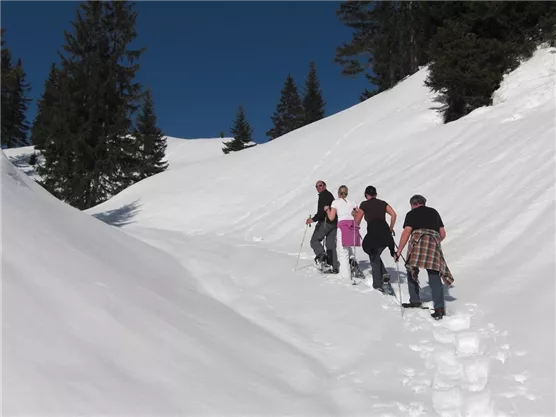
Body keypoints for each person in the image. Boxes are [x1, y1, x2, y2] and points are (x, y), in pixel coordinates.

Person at [395, 194, 454, 319]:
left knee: (411, 269)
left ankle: (415, 300)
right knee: (434, 274)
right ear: (423, 203)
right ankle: (439, 308)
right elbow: (442, 233)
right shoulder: (434, 212)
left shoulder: (411, 214)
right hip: (433, 241)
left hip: (418, 240)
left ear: (413, 204)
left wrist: (399, 251)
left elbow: (407, 232)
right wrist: (434, 241)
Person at [354, 186, 397, 291]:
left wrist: (355, 216)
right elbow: (394, 215)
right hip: (385, 233)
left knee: (372, 254)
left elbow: (357, 220)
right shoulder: (383, 203)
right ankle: (384, 274)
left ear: (366, 195)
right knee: (375, 254)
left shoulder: (364, 204)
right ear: (376, 194)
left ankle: (377, 284)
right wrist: (390, 229)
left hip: (373, 233)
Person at [325, 185, 360, 281]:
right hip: (352, 226)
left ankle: (345, 276)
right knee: (348, 247)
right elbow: (358, 213)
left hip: (342, 226)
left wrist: (327, 210)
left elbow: (331, 217)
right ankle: (352, 263)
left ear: (339, 193)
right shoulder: (353, 202)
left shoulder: (335, 202)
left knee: (342, 251)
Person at [306, 180, 338, 272]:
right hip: (333, 223)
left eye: (320, 185)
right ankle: (334, 266)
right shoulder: (329, 195)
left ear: (324, 186)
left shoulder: (324, 196)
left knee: (314, 240)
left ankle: (322, 256)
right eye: (316, 186)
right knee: (330, 245)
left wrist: (312, 219)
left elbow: (321, 212)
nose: (318, 187)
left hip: (325, 222)